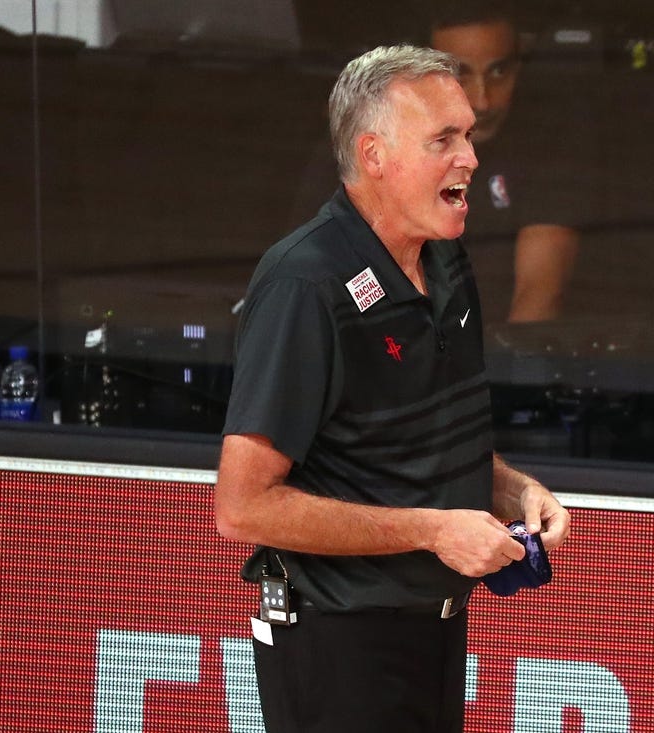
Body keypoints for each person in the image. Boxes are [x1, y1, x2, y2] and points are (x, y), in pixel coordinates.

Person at [214, 45, 571, 733]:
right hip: (338, 644)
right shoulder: (304, 283)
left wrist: (509, 488)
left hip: (435, 633)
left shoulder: (446, 262)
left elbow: (412, 444)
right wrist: (435, 530)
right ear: (374, 155)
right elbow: (242, 505)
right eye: (445, 139)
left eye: (467, 135)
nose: (470, 157)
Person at [428, 0, 586, 323]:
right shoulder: (373, 147)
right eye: (460, 75)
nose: (482, 100)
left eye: (498, 72)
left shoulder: (548, 141)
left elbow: (539, 294)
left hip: (494, 360)